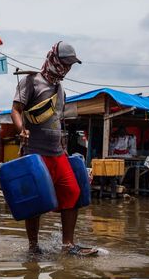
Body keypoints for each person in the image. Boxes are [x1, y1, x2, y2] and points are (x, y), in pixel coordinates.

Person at [11, 41, 97, 256]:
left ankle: (68, 245)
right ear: (54, 60)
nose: (66, 69)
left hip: (57, 153)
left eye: (70, 66)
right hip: (35, 154)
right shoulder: (31, 82)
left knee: (73, 192)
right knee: (35, 201)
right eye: (65, 64)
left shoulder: (60, 89)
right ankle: (33, 247)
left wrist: (64, 148)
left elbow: (58, 121)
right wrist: (22, 129)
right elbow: (15, 109)